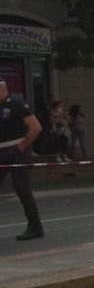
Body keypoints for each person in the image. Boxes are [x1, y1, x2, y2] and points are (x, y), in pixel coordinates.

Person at [0, 77, 45, 240]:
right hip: (1, 152)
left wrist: (21, 147)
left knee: (22, 189)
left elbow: (35, 127)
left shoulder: (16, 103)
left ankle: (35, 227)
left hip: (16, 151)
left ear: (2, 90)